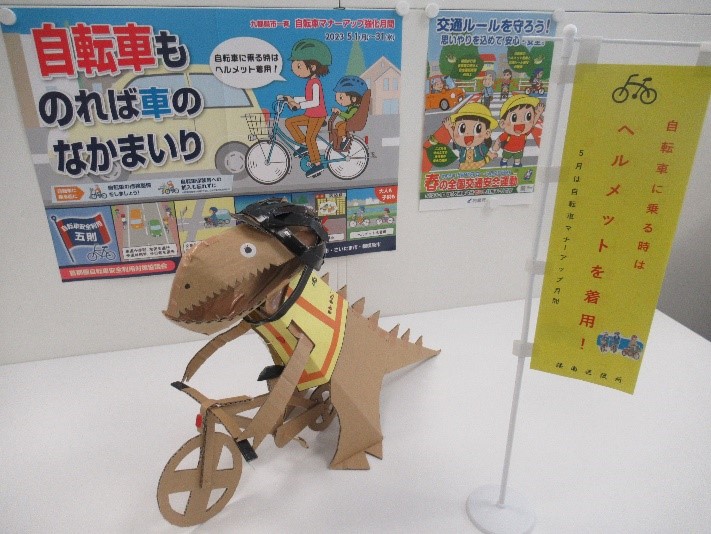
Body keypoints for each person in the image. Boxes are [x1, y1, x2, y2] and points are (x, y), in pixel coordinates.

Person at [284, 39, 332, 178]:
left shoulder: (315, 83)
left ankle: (317, 164)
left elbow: (315, 102)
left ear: (313, 67)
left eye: (299, 66)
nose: (296, 71)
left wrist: (299, 105)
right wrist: (293, 99)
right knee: (289, 122)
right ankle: (303, 145)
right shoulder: (310, 82)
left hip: (318, 116)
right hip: (310, 115)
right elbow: (307, 98)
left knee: (311, 138)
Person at [331, 75, 368, 151]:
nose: (338, 101)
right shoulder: (351, 107)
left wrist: (340, 112)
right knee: (338, 125)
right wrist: (339, 113)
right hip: (349, 122)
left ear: (353, 98)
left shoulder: (354, 108)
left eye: (341, 97)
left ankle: (345, 139)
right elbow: (345, 117)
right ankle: (339, 140)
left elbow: (348, 116)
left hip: (352, 123)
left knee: (341, 126)